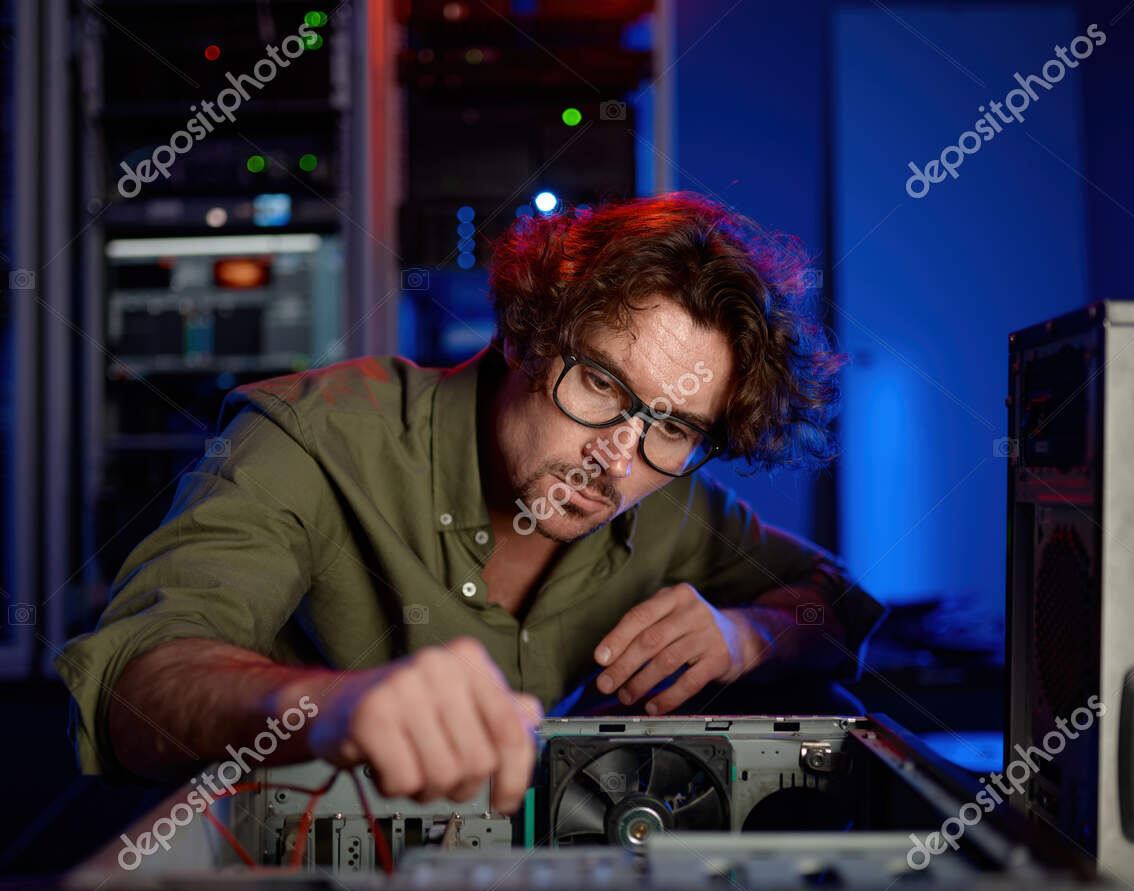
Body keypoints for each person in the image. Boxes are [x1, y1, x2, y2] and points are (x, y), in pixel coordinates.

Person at [55, 191, 886, 817]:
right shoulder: (313, 435)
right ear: (525, 331)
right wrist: (330, 708)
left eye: (671, 426)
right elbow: (138, 680)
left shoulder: (670, 500)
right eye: (599, 382)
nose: (616, 457)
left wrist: (751, 635)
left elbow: (839, 601)